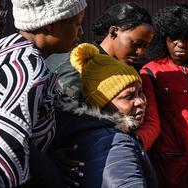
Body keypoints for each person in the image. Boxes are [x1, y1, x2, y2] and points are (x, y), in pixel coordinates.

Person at [0, 0, 87, 187]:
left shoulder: (6, 47)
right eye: (77, 24)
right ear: (51, 25)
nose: (81, 32)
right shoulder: (27, 66)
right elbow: (10, 146)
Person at [46, 2, 160, 151]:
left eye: (145, 46)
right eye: (136, 44)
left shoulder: (131, 71)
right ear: (113, 32)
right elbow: (63, 119)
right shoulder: (79, 65)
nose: (140, 52)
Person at [53, 43, 157, 188]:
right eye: (128, 96)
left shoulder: (93, 134)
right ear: (102, 104)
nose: (140, 101)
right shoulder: (114, 143)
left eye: (140, 92)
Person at [140, 4, 188, 187]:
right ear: (164, 39)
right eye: (173, 38)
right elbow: (150, 121)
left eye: (187, 38)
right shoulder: (151, 72)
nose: (180, 44)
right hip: (168, 165)